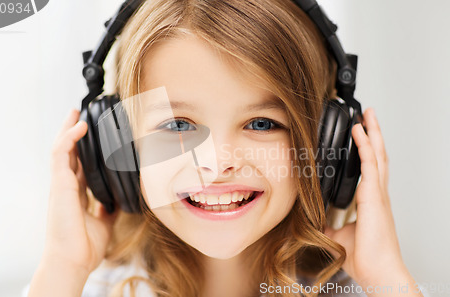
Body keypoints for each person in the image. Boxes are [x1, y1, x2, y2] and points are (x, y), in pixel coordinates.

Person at [27, 0, 426, 296]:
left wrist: (384, 275)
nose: (218, 165)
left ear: (325, 146)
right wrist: (63, 268)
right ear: (118, 147)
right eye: (178, 125)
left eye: (262, 123)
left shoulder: (362, 288)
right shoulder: (91, 286)